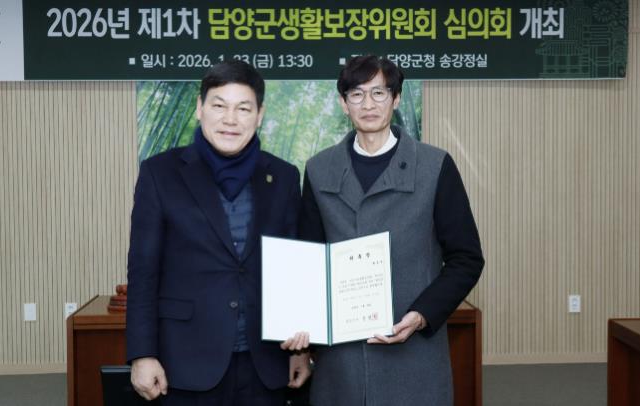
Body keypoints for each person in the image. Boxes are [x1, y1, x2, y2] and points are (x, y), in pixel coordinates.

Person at [286, 55, 485, 405]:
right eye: (357, 94)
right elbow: (307, 263)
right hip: (341, 359)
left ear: (395, 98)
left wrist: (421, 315)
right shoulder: (319, 169)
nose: (368, 104)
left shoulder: (434, 166)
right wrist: (301, 350)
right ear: (343, 103)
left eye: (379, 93)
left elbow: (466, 258)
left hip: (412, 353)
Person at [126, 60, 310, 406]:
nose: (230, 119)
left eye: (243, 108)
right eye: (219, 106)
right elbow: (143, 270)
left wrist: (300, 350)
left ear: (260, 114)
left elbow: (293, 267)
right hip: (186, 361)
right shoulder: (160, 173)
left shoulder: (283, 176)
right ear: (200, 108)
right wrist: (142, 354)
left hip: (265, 362)